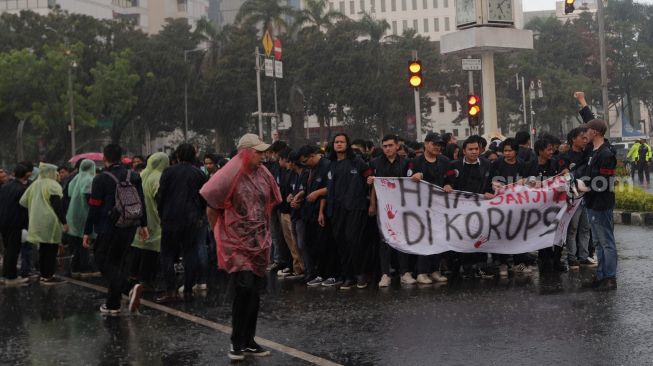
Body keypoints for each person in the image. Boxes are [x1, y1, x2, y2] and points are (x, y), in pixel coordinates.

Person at [200, 133, 281, 360]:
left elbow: (271, 202)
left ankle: (249, 340)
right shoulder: (228, 175)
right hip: (237, 244)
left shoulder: (263, 173)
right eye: (258, 152)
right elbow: (212, 207)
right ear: (245, 152)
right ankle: (237, 342)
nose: (263, 156)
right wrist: (221, 237)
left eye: (264, 152)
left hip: (259, 241)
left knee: (255, 291)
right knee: (243, 289)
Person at [84, 144, 149, 315]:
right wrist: (143, 225)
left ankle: (129, 287)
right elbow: (141, 201)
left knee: (102, 261)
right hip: (129, 226)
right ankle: (113, 304)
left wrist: (87, 231)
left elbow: (94, 207)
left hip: (108, 227)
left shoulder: (100, 179)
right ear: (121, 157)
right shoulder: (133, 175)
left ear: (104, 157)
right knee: (118, 263)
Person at [155, 144, 207, 303]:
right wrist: (199, 215)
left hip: (170, 218)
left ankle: (171, 291)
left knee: (167, 254)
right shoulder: (199, 174)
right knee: (190, 254)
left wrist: (162, 213)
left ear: (177, 155)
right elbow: (204, 196)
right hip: (191, 219)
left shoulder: (168, 172)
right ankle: (188, 290)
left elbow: (160, 196)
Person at [322, 133, 372, 289]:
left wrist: (370, 185)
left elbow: (370, 178)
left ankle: (361, 274)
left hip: (355, 208)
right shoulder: (330, 164)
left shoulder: (357, 161)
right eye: (336, 142)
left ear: (347, 144)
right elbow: (327, 188)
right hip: (336, 209)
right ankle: (348, 276)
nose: (338, 144)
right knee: (341, 241)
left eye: (342, 142)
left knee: (353, 240)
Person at [443, 136, 495, 279]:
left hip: (481, 208)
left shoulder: (487, 164)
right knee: (465, 236)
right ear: (464, 151)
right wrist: (447, 185)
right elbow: (447, 181)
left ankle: (482, 266)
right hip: (460, 209)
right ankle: (466, 267)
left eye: (476, 149)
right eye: (470, 149)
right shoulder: (454, 165)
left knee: (481, 235)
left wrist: (491, 190)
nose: (474, 152)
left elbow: (492, 183)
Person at [368, 135, 414, 287]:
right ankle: (385, 274)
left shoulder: (406, 162)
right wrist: (372, 205)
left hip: (402, 207)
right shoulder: (375, 163)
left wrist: (417, 176)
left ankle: (404, 273)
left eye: (390, 145)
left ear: (397, 146)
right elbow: (374, 186)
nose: (387, 148)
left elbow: (411, 184)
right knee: (385, 241)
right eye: (385, 146)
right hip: (383, 208)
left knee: (401, 239)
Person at [580, 119, 618, 291]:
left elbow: (605, 182)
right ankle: (601, 275)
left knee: (607, 242)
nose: (584, 133)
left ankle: (610, 278)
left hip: (601, 204)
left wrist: (586, 187)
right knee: (598, 243)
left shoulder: (606, 154)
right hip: (591, 203)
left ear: (594, 132)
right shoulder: (593, 151)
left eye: (587, 130)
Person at [489, 138, 535, 276]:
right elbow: (491, 180)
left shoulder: (522, 164)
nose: (507, 153)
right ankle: (502, 263)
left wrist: (525, 181)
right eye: (505, 151)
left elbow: (530, 181)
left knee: (517, 234)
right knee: (502, 232)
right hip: (501, 205)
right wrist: (494, 184)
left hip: (518, 205)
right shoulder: (497, 164)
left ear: (516, 151)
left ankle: (518, 262)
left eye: (510, 151)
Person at [410, 132, 450, 284]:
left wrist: (448, 184)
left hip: (439, 206)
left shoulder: (445, 161)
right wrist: (414, 177)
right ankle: (421, 271)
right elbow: (405, 180)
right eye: (434, 144)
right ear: (426, 144)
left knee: (438, 238)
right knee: (424, 238)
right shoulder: (415, 162)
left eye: (439, 145)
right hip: (421, 206)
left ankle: (435, 270)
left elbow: (450, 178)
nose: (437, 147)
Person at [19, 163, 67, 285]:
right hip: (50, 222)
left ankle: (43, 274)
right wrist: (64, 222)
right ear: (51, 172)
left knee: (43, 248)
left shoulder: (34, 184)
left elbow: (23, 201)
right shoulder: (53, 185)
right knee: (51, 249)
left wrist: (36, 206)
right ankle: (49, 276)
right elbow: (57, 205)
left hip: (36, 221)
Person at [297, 145, 337, 287]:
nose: (304, 164)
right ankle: (319, 273)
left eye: (305, 160)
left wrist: (318, 194)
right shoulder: (310, 169)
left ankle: (331, 275)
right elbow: (308, 188)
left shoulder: (327, 165)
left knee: (326, 244)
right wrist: (300, 196)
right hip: (310, 211)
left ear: (313, 155)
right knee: (313, 244)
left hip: (323, 211)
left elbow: (331, 188)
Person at [558, 128, 596, 270]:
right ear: (573, 139)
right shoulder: (566, 156)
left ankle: (584, 256)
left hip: (587, 196)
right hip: (573, 198)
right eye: (582, 137)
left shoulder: (588, 155)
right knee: (573, 228)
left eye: (586, 137)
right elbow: (564, 175)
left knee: (585, 228)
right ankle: (572, 258)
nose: (585, 140)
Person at [131, 152, 169, 289]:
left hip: (140, 217)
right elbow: (160, 199)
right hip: (154, 218)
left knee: (139, 247)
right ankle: (146, 281)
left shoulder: (142, 174)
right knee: (151, 250)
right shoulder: (158, 177)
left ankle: (134, 277)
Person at [65, 159, 99, 277]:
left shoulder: (76, 177)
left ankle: (75, 268)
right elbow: (89, 196)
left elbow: (69, 193)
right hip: (84, 214)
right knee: (85, 242)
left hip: (73, 213)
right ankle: (85, 269)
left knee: (78, 243)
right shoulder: (89, 179)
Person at [0, 164, 31, 285]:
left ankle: (5, 275)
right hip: (15, 223)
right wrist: (26, 225)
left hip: (3, 222)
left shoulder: (5, 187)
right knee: (13, 250)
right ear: (25, 175)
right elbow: (24, 209)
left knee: (7, 249)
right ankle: (11, 277)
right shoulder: (22, 189)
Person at [276, 148, 304, 278]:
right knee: (290, 243)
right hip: (285, 210)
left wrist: (292, 196)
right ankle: (295, 266)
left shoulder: (297, 173)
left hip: (292, 212)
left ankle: (300, 268)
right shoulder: (285, 172)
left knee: (296, 242)